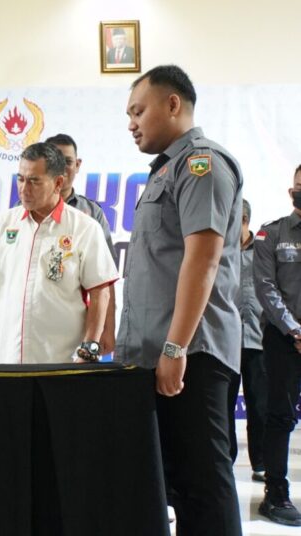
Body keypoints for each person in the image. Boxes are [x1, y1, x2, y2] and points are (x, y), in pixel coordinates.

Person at [116, 65, 243, 535]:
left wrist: (175, 348)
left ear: (173, 104)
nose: (131, 123)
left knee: (204, 486)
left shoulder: (200, 164)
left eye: (138, 111)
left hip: (192, 356)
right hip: (158, 355)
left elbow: (203, 260)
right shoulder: (166, 170)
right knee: (177, 487)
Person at [0, 142, 118, 365]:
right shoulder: (3, 224)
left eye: (34, 181)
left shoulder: (85, 228)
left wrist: (89, 347)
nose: (23, 188)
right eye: (20, 179)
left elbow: (101, 292)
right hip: (9, 359)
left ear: (58, 183)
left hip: (63, 363)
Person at [254, 165, 301, 526]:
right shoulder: (271, 234)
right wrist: (294, 330)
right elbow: (266, 288)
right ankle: (275, 493)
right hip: (284, 339)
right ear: (291, 192)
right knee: (280, 417)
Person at [45, 133, 117, 354]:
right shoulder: (21, 211)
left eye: (67, 161)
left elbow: (106, 279)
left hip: (80, 325)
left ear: (77, 165)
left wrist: (107, 329)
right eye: (54, 161)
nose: (62, 168)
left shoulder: (91, 213)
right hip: (35, 324)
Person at [226, 199, 267, 483]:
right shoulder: (218, 250)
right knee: (223, 406)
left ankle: (262, 464)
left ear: (244, 220)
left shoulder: (264, 252)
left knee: (259, 404)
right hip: (224, 339)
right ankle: (224, 460)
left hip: (258, 339)